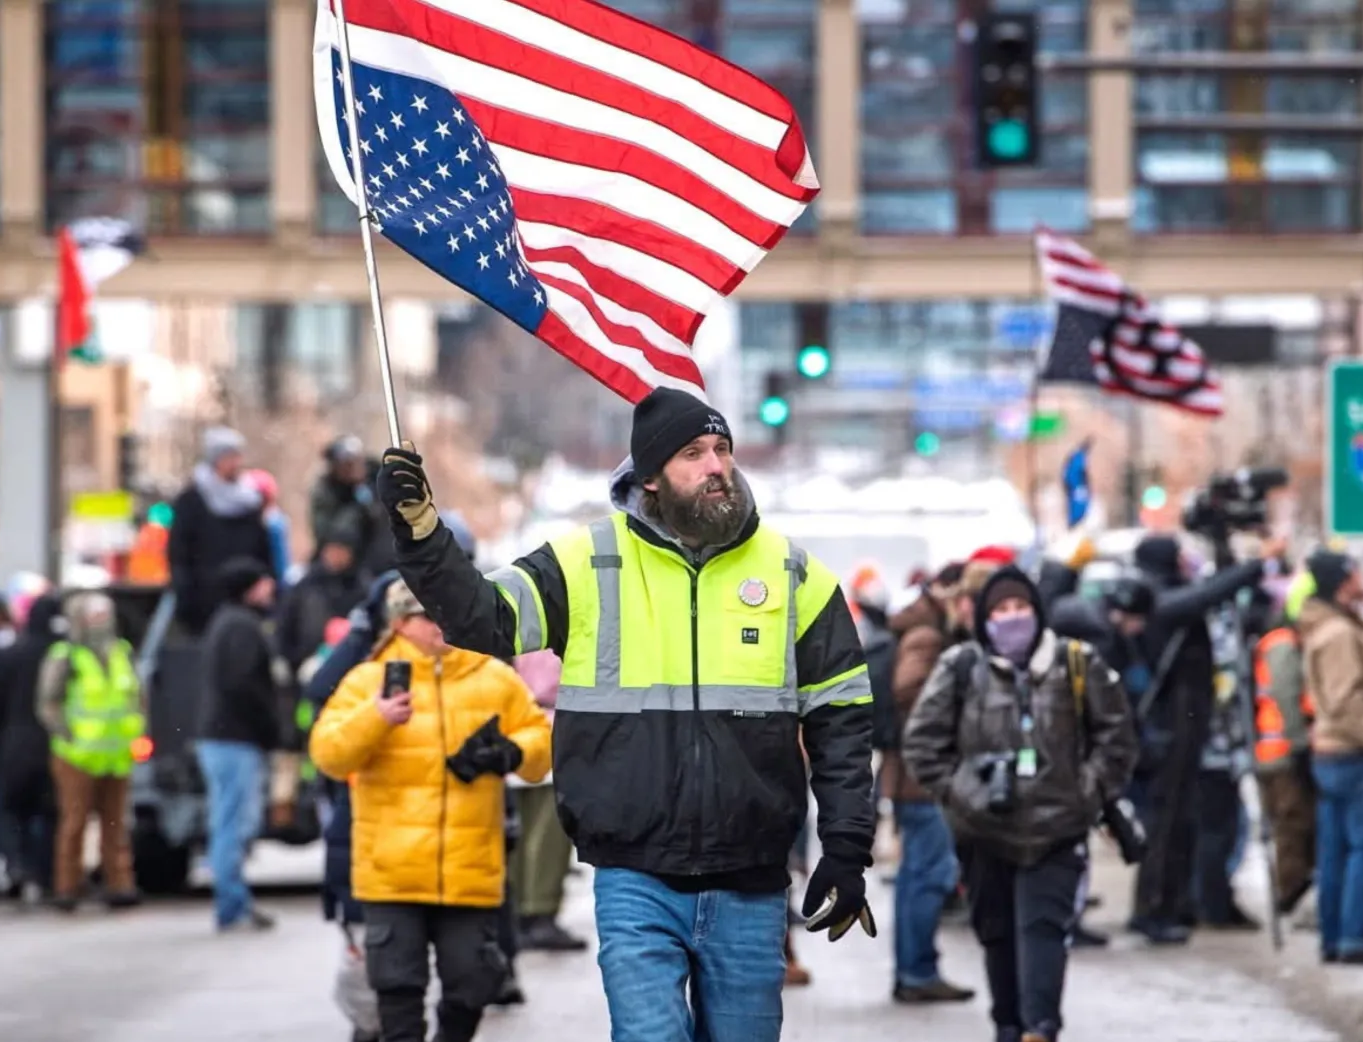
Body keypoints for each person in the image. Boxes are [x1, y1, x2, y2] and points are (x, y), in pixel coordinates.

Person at [376, 387, 877, 1042]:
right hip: (634, 877)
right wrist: (421, 535)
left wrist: (846, 847)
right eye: (693, 452)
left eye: (721, 449)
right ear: (650, 475)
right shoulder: (586, 562)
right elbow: (482, 617)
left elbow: (842, 722)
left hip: (752, 881)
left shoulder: (793, 574)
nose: (716, 465)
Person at [310, 579, 552, 1042]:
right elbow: (328, 753)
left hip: (470, 868)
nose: (442, 624)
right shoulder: (368, 680)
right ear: (400, 622)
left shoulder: (494, 676)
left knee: (474, 981)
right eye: (428, 615)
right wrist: (375, 718)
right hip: (391, 873)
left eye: (448, 611)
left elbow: (541, 744)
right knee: (398, 989)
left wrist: (509, 752)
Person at [904, 566, 1137, 1042]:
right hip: (986, 831)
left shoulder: (1076, 663)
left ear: (1038, 611)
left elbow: (1116, 740)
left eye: (1021, 608)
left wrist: (1083, 794)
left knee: (1043, 933)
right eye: (1001, 610)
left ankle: (1040, 1028)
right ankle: (1008, 1026)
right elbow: (924, 745)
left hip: (1057, 831)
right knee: (998, 937)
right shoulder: (962, 667)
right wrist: (965, 794)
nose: (1012, 618)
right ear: (985, 618)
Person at [1127, 533, 1282, 945]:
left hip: (1190, 724)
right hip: (1169, 726)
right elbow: (1203, 597)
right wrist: (1252, 566)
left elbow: (1220, 601)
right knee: (1166, 822)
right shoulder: (1153, 597)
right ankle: (1152, 908)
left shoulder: (1173, 593)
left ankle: (1176, 903)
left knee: (1186, 822)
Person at [882, 564, 974, 1003]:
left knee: (918, 874)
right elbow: (909, 689)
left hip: (914, 777)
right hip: (924, 779)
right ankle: (917, 971)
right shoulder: (928, 635)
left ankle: (916, 968)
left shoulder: (924, 627)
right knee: (927, 874)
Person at [37, 592, 145, 911]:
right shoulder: (66, 655)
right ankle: (67, 886)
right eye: (94, 614)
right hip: (76, 756)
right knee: (74, 823)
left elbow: (136, 697)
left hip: (116, 754)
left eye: (104, 614)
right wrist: (69, 737)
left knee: (116, 824)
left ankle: (120, 883)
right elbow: (49, 703)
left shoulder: (121, 653)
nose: (101, 621)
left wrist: (137, 731)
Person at [196, 557, 282, 932]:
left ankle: (234, 902)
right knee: (232, 822)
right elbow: (244, 685)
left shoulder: (226, 622)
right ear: (249, 588)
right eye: (263, 583)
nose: (270, 589)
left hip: (223, 737)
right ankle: (232, 904)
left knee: (229, 820)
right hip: (235, 738)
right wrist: (270, 728)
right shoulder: (242, 627)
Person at [1298, 549, 1363, 964]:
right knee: (1356, 847)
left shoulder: (1327, 626)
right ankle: (1351, 934)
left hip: (1331, 750)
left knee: (1335, 848)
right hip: (1348, 750)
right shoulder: (1339, 633)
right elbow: (1347, 698)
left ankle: (1335, 935)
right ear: (1341, 581)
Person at [1252, 569, 1316, 919]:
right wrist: (1300, 743)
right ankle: (1289, 892)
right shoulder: (1282, 643)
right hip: (1281, 753)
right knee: (1292, 827)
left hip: (1281, 750)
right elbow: (1287, 697)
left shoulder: (1285, 640)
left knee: (1296, 826)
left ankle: (1292, 892)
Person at [168, 427, 273, 633]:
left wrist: (263, 581)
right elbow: (180, 552)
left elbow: (263, 549)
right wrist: (186, 595)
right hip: (205, 602)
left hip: (248, 600)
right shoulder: (192, 501)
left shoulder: (249, 500)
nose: (234, 463)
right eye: (228, 456)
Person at [0, 593, 64, 900]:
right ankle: (46, 874)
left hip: (14, 743)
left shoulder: (10, 655)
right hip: (57, 744)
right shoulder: (65, 656)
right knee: (50, 813)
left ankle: (17, 867)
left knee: (11, 811)